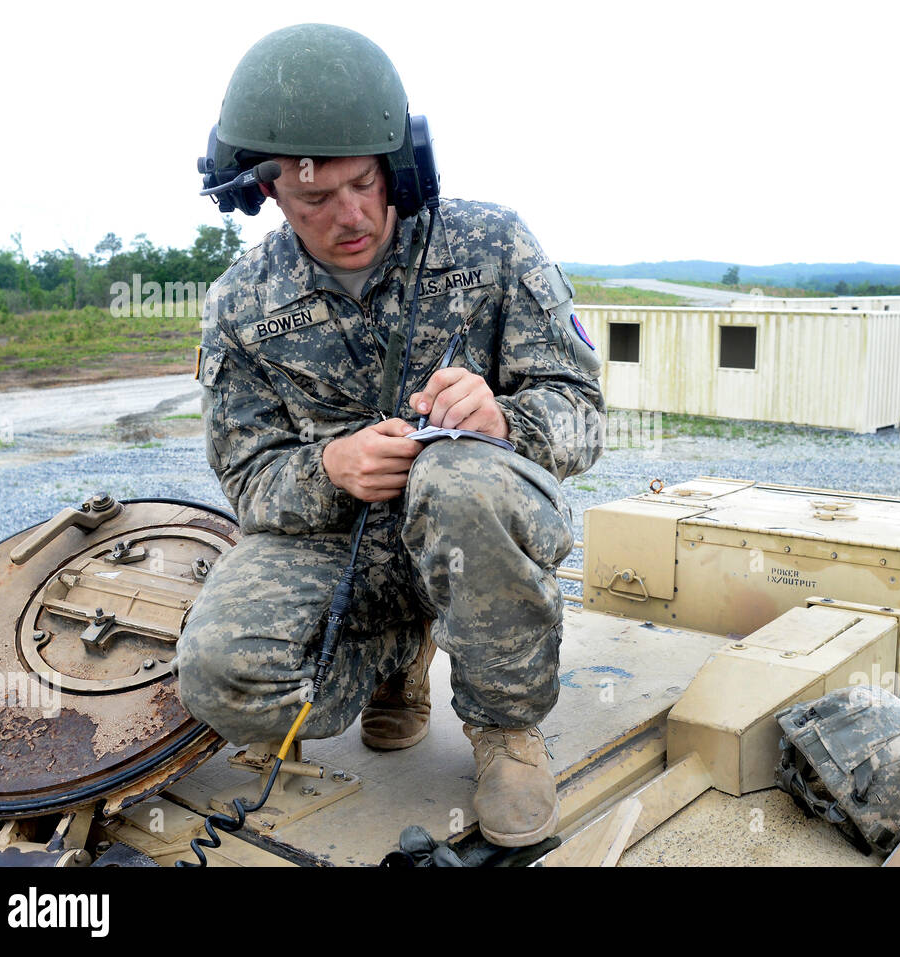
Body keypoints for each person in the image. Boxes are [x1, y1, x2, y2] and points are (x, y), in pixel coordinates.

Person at [176, 23, 604, 849]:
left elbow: (584, 411)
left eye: (366, 184)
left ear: (400, 165)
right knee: (220, 669)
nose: (351, 216)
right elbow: (247, 475)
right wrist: (328, 467)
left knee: (462, 482)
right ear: (266, 192)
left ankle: (507, 728)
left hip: (469, 528)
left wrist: (504, 420)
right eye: (316, 199)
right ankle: (395, 653)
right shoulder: (240, 304)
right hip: (345, 545)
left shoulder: (491, 245)